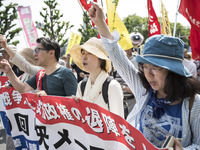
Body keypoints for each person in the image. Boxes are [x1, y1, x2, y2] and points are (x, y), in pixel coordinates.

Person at [88, 2, 200, 149]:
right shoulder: (144, 90)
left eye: (155, 68)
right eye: (145, 67)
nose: (148, 74)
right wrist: (101, 23)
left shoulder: (193, 104)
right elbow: (118, 57)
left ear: (173, 71)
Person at [0, 35, 77, 97]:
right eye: (34, 51)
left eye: (38, 50)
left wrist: (48, 98)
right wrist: (9, 71)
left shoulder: (66, 73)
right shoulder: (40, 74)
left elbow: (74, 104)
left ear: (51, 53)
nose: (34, 54)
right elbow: (22, 88)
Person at [70, 37, 124, 118]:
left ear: (101, 59)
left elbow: (119, 123)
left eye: (89, 53)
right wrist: (74, 106)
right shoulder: (82, 86)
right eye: (83, 53)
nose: (84, 57)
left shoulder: (112, 86)